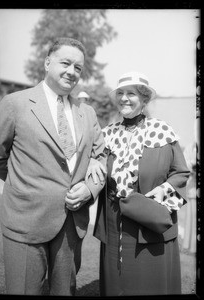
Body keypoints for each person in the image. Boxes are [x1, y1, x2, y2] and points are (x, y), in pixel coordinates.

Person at [0, 37, 106, 296]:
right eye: (65, 63)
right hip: (25, 221)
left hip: (71, 223)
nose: (72, 71)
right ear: (47, 63)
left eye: (78, 67)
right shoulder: (15, 104)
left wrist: (89, 190)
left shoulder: (87, 112)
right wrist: (24, 184)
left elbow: (102, 157)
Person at [88, 71, 190, 296]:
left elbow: (181, 174)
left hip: (150, 224)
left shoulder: (162, 132)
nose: (124, 98)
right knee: (118, 285)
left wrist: (155, 198)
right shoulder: (107, 134)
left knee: (150, 284)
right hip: (115, 224)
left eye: (131, 93)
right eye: (121, 93)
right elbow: (96, 168)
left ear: (144, 99)